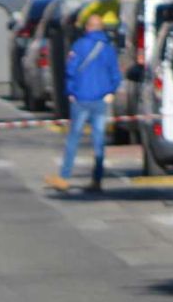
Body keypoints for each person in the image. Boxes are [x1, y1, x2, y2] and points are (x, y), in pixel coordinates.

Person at [46, 13, 123, 194]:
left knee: (74, 139)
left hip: (81, 99)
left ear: (88, 27)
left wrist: (71, 92)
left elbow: (71, 70)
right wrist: (110, 91)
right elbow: (116, 74)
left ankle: (64, 177)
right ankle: (97, 180)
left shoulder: (79, 46)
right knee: (98, 141)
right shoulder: (108, 48)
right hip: (101, 100)